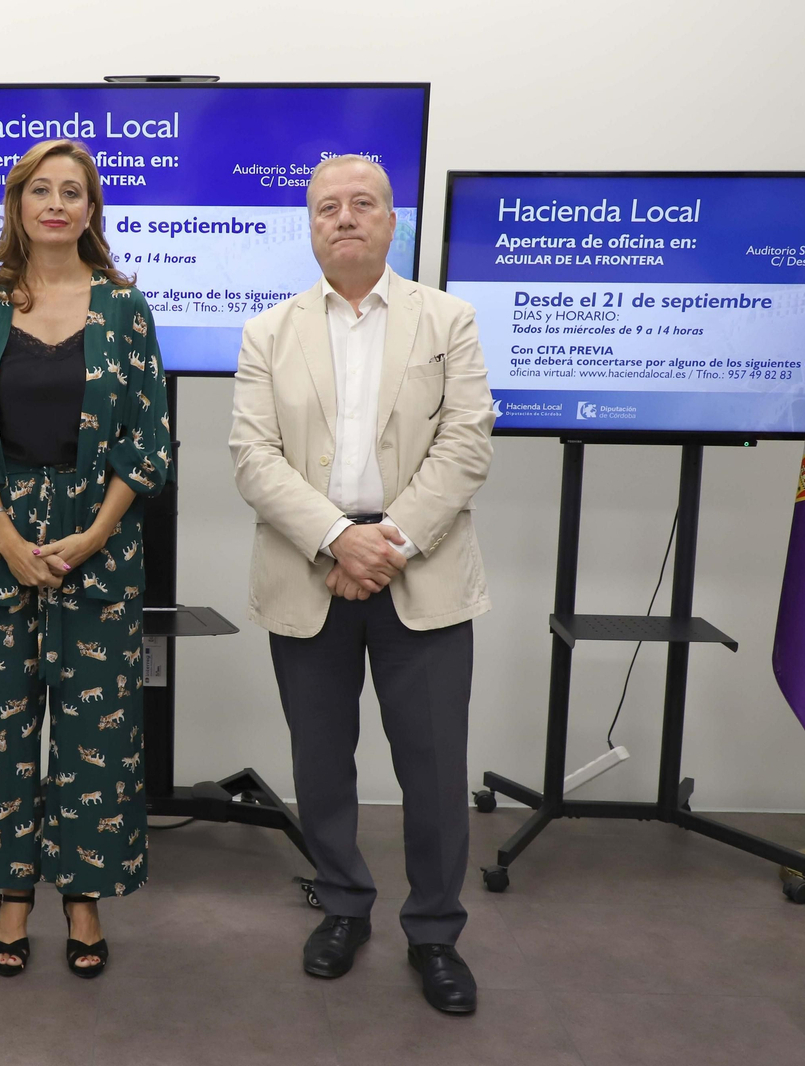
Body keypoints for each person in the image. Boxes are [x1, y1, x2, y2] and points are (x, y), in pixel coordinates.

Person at [228, 156, 495, 1012]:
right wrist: (340, 539)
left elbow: (466, 445)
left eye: (363, 205)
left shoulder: (447, 319)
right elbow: (252, 457)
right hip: (311, 570)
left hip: (422, 571)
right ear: (310, 225)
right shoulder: (267, 331)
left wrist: (388, 545)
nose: (344, 218)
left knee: (434, 769)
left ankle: (435, 932)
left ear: (391, 220)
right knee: (321, 764)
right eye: (327, 208)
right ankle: (343, 905)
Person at [0, 139, 172, 979]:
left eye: (74, 191)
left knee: (92, 731)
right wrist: (1, 534)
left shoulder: (126, 310)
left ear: (92, 209)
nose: (57, 203)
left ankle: (83, 898)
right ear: (19, 205)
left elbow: (149, 441)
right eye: (42, 190)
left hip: (98, 536)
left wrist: (98, 533)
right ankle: (10, 897)